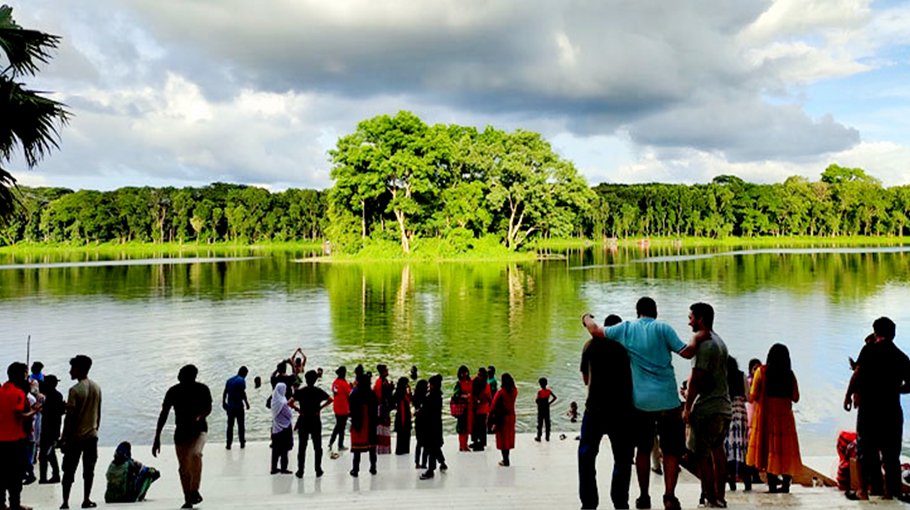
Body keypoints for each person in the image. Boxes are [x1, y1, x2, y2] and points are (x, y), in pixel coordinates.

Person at [582, 297, 704, 510]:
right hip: (664, 400)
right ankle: (667, 497)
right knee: (668, 452)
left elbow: (594, 332)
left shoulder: (623, 330)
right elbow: (686, 352)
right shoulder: (661, 329)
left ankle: (642, 496)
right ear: (655, 312)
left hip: (633, 404)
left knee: (641, 450)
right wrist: (698, 337)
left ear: (637, 312)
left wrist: (586, 317)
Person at [844, 317, 910, 501]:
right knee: (891, 454)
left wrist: (848, 395)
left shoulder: (868, 351)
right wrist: (895, 389)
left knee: (865, 450)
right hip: (891, 410)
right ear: (893, 334)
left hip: (869, 409)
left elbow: (857, 374)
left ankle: (863, 491)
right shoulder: (901, 357)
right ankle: (889, 493)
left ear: (875, 332)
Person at [578, 313, 634, 510]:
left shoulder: (589, 346)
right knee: (623, 458)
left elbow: (586, 379)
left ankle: (589, 503)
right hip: (622, 410)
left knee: (586, 456)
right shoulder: (626, 348)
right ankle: (620, 501)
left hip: (594, 409)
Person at [682, 302, 731, 508]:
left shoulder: (704, 344)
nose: (688, 321)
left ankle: (711, 499)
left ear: (700, 318)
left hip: (707, 409)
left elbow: (697, 378)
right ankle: (720, 497)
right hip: (724, 406)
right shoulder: (720, 342)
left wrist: (687, 406)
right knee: (718, 451)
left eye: (691, 317)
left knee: (702, 456)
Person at [152, 364, 212, 509]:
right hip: (181, 432)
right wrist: (157, 437)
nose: (179, 376)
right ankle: (188, 499)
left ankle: (194, 490)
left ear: (191, 377)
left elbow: (209, 407)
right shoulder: (173, 391)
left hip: (199, 430)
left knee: (196, 455)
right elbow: (164, 413)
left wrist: (201, 416)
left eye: (182, 374)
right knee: (183, 467)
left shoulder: (202, 389)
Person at [746, 343, 801, 493]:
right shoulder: (790, 374)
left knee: (770, 450)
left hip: (767, 418)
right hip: (786, 419)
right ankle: (785, 485)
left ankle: (771, 486)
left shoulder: (762, 372)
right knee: (786, 451)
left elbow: (753, 395)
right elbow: (796, 397)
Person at [60, 354, 102, 510]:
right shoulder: (97, 387)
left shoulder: (74, 390)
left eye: (72, 368)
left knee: (69, 471)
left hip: (76, 438)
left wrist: (63, 439)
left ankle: (65, 502)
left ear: (78, 369)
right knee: (89, 470)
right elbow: (98, 414)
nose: (70, 371)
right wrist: (95, 430)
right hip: (92, 436)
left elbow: (69, 419)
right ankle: (86, 499)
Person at [2, 362, 40, 510]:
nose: (27, 377)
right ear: (19, 375)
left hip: (1, 441)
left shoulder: (2, 390)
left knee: (2, 474)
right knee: (15, 475)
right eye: (25, 374)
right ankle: (15, 504)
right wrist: (35, 410)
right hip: (15, 440)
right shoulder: (18, 393)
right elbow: (20, 415)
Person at [293, 370, 331, 478]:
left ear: (305, 379)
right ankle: (318, 469)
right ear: (315, 380)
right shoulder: (318, 391)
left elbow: (290, 402)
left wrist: (298, 410)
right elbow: (330, 399)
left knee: (302, 447)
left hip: (304, 420)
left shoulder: (301, 391)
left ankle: (300, 471)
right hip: (315, 420)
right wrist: (320, 408)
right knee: (317, 447)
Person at [724, 357, 750, 492]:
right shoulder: (742, 375)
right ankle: (747, 482)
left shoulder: (722, 376)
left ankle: (731, 481)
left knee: (729, 447)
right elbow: (749, 396)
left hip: (727, 411)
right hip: (741, 413)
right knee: (743, 447)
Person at [349, 373, 378, 477]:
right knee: (372, 448)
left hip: (358, 423)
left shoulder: (355, 393)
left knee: (357, 450)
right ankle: (373, 468)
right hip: (370, 422)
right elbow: (376, 407)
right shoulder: (371, 393)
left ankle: (355, 470)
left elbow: (351, 409)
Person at [419, 374, 447, 479]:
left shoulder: (431, 397)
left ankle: (431, 470)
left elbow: (426, 411)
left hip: (430, 426)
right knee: (435, 446)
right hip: (436, 425)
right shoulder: (438, 396)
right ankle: (442, 462)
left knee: (431, 447)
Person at [39, 374, 64, 485]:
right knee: (50, 453)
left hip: (48, 429)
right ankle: (55, 474)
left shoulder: (48, 397)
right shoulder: (58, 395)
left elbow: (46, 412)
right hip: (55, 429)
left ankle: (44, 477)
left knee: (43, 455)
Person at [490, 373, 517, 467]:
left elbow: (493, 405)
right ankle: (507, 458)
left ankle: (505, 460)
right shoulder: (515, 391)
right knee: (508, 438)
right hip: (512, 416)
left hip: (502, 417)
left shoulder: (501, 392)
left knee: (502, 438)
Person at [222, 366, 250, 450]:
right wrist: (247, 403)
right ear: (244, 373)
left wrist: (223, 402)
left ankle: (228, 443)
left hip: (230, 406)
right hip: (238, 406)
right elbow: (242, 393)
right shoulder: (241, 380)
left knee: (230, 425)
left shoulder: (229, 380)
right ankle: (242, 442)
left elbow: (225, 392)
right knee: (241, 425)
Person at [269, 382, 294, 475]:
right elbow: (289, 415)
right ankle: (284, 468)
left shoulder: (274, 401)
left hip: (276, 427)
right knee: (284, 449)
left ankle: (274, 468)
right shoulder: (283, 403)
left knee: (275, 450)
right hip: (285, 428)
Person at [328, 366, 351, 453]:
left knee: (339, 425)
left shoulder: (335, 382)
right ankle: (339, 444)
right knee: (341, 426)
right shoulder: (344, 383)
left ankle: (332, 442)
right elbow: (349, 394)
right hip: (343, 407)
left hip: (336, 407)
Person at [373, 364, 393, 455]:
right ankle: (382, 449)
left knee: (385, 428)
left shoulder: (383, 381)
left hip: (384, 407)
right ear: (383, 372)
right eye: (386, 370)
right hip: (382, 408)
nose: (387, 371)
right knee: (382, 427)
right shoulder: (380, 382)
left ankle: (385, 448)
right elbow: (380, 396)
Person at [471, 368, 491, 451]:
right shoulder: (475, 382)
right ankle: (477, 441)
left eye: (480, 375)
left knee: (481, 426)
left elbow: (488, 398)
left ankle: (481, 443)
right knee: (476, 426)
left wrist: (478, 400)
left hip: (482, 408)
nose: (478, 376)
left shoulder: (486, 386)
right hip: (477, 408)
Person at [454, 365, 473, 452]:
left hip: (469, 407)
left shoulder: (470, 381)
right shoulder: (458, 384)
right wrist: (464, 396)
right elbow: (455, 395)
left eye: (465, 372)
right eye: (462, 373)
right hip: (462, 408)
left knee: (467, 426)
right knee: (462, 427)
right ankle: (462, 445)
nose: (464, 374)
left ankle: (465, 444)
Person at [412, 379, 429, 469]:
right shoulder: (426, 397)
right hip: (425, 421)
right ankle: (424, 462)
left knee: (419, 442)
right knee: (425, 443)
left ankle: (417, 462)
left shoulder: (415, 397)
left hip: (418, 421)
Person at [393, 377, 412, 455]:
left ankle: (403, 449)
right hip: (403, 416)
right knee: (403, 434)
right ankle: (403, 450)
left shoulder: (402, 393)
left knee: (403, 434)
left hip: (403, 416)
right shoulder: (401, 394)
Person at [534, 376, 557, 442]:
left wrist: (538, 402)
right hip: (547, 408)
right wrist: (549, 403)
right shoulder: (548, 391)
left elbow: (537, 400)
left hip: (541, 409)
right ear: (546, 383)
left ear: (540, 384)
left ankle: (539, 437)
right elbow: (555, 397)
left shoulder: (540, 392)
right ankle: (547, 437)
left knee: (540, 423)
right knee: (547, 422)